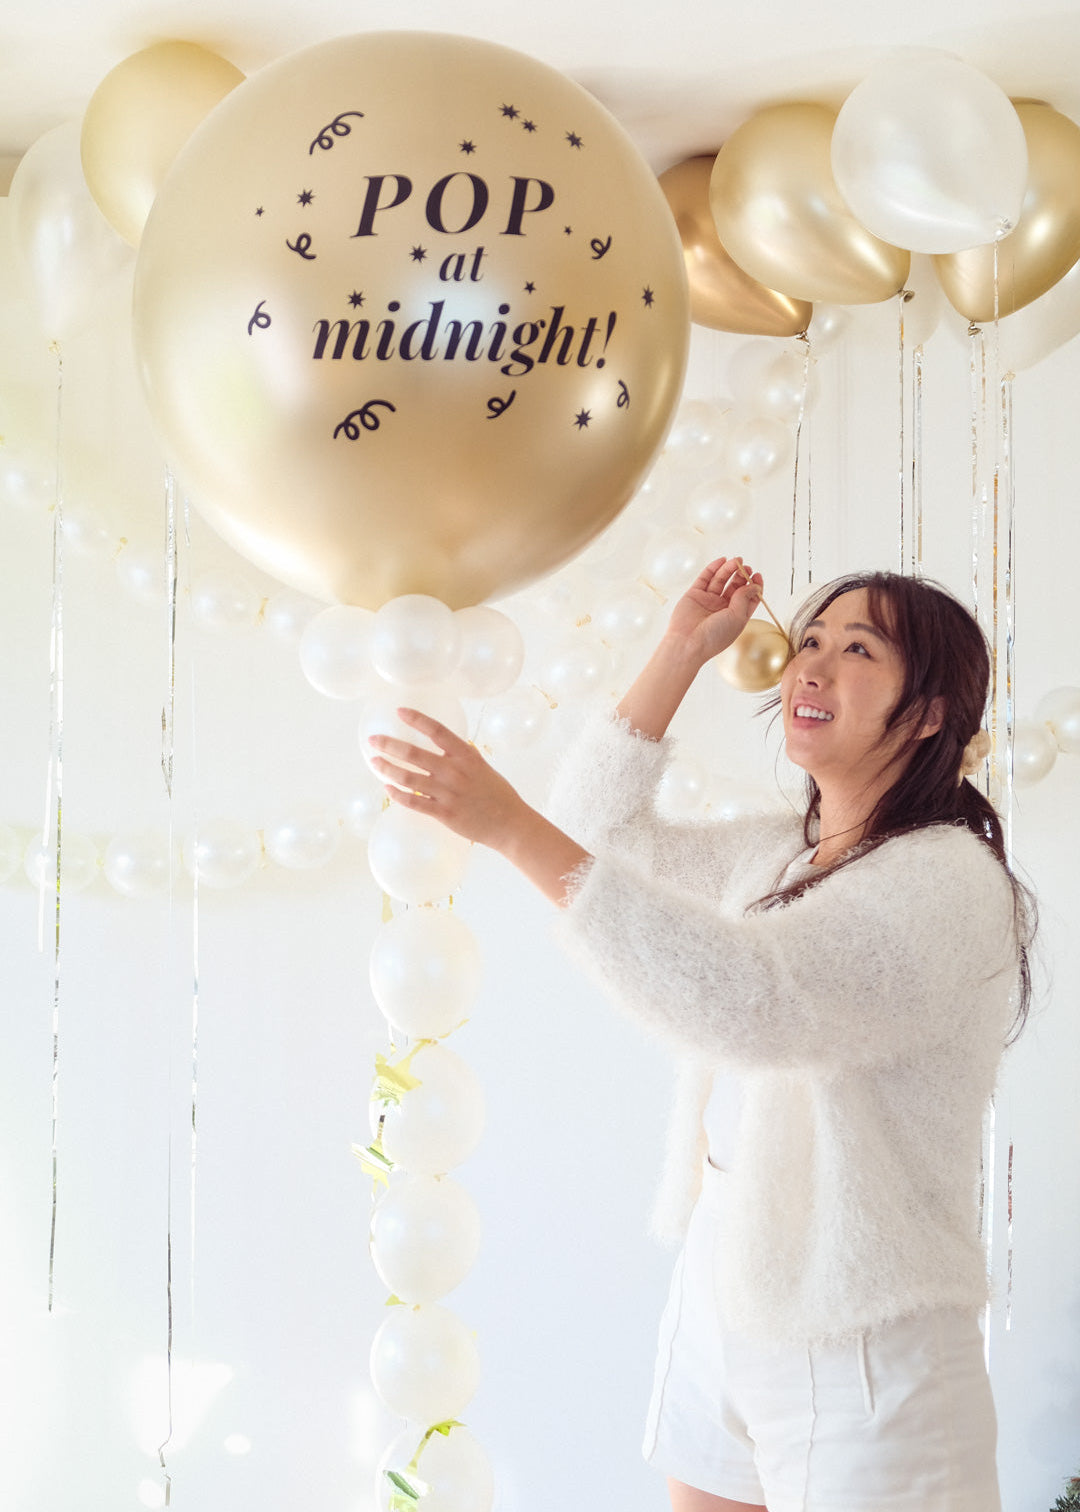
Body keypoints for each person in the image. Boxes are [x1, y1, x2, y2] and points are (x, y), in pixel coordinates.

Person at [367, 556, 1034, 1512]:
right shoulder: (778, 853)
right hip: (729, 1285)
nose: (813, 666)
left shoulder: (948, 886)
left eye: (858, 651)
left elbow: (750, 999)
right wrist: (680, 649)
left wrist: (509, 829)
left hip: (865, 1337)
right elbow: (598, 837)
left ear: (928, 714)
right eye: (809, 641)